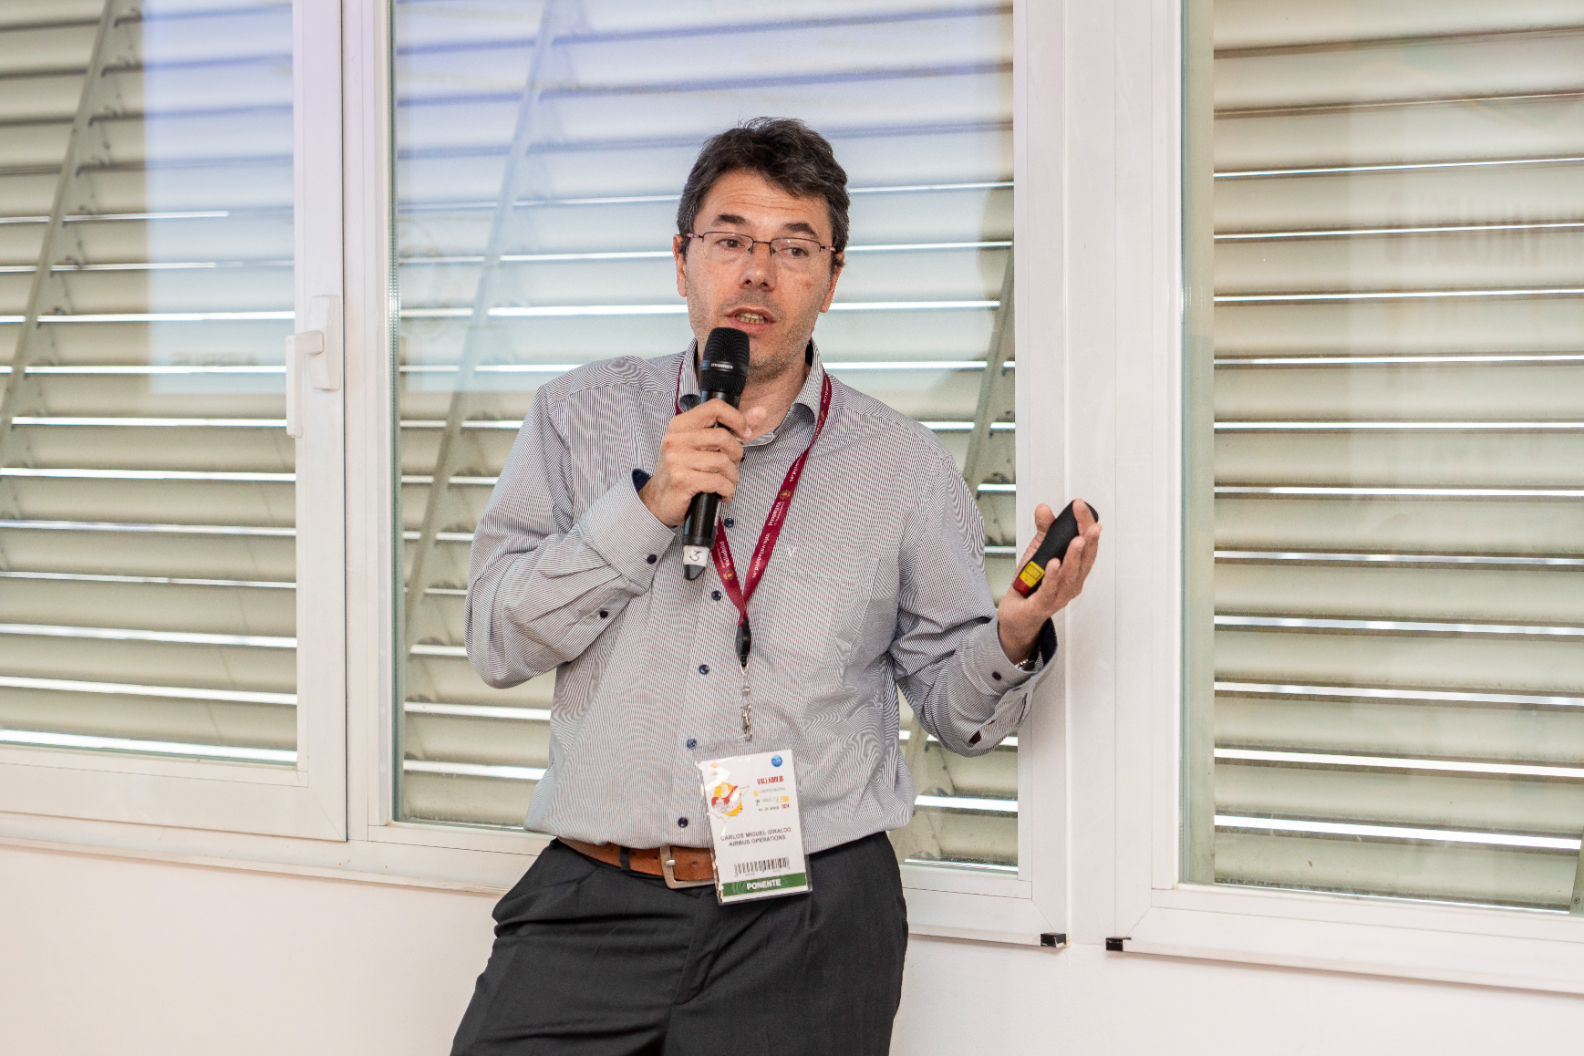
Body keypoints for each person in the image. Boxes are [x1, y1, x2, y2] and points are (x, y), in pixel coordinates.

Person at [453, 117, 1101, 1056]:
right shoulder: (576, 417)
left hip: (809, 921)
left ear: (831, 281)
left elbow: (963, 720)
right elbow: (495, 640)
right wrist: (648, 506)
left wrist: (1012, 633)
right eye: (730, 240)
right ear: (682, 260)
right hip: (593, 901)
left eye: (794, 248)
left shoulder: (904, 468)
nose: (757, 272)